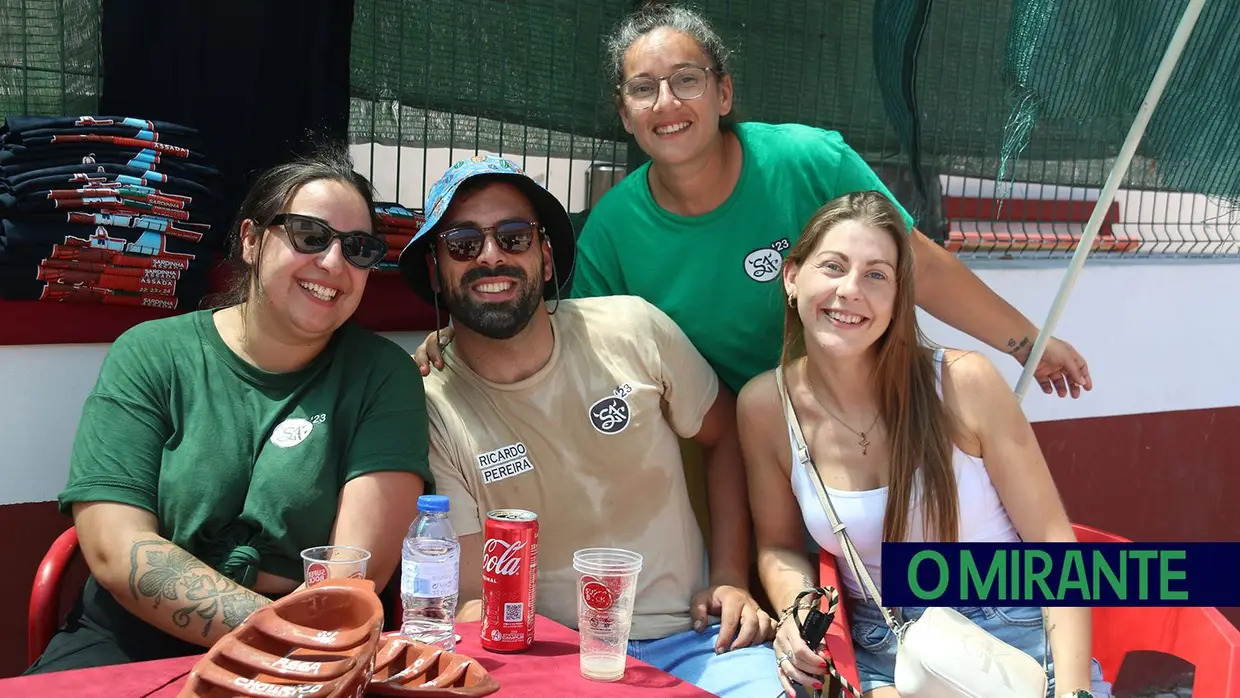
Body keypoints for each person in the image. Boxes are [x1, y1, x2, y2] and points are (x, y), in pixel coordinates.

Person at [415, 2, 1092, 402]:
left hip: (872, 404)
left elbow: (918, 262)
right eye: (643, 89)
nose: (668, 103)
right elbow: (574, 338)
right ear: (624, 115)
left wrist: (1027, 340)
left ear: (725, 93)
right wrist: (459, 338)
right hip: (752, 436)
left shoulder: (810, 160)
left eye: (687, 80)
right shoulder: (615, 231)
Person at [25, 146, 433, 674]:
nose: (333, 263)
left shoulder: (383, 377)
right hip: (132, 637)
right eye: (310, 236)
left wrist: (298, 645)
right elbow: (114, 547)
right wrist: (279, 631)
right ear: (251, 240)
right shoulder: (151, 354)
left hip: (306, 649)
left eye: (358, 248)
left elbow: (352, 577)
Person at [396, 153, 786, 697]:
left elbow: (725, 436)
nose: (490, 256)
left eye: (514, 236)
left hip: (698, 640)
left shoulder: (634, 327)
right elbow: (471, 600)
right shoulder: (430, 405)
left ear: (547, 258)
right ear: (437, 271)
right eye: (462, 243)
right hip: (551, 659)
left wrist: (730, 577)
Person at [738, 190, 1112, 697]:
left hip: (1009, 628)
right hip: (879, 639)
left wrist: (1073, 693)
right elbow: (779, 544)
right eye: (833, 266)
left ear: (898, 298)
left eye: (876, 275)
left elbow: (1055, 545)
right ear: (791, 277)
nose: (850, 290)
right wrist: (798, 610)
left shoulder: (963, 383)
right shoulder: (765, 405)